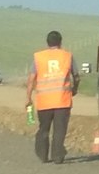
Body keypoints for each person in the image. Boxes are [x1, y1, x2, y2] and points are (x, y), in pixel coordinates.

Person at [25, 29, 78, 166]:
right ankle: (57, 156)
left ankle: (42, 155)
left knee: (44, 128)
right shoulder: (67, 56)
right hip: (62, 100)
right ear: (60, 42)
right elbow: (76, 76)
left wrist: (28, 97)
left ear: (47, 43)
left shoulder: (38, 57)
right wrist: (74, 89)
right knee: (59, 130)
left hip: (44, 102)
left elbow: (31, 79)